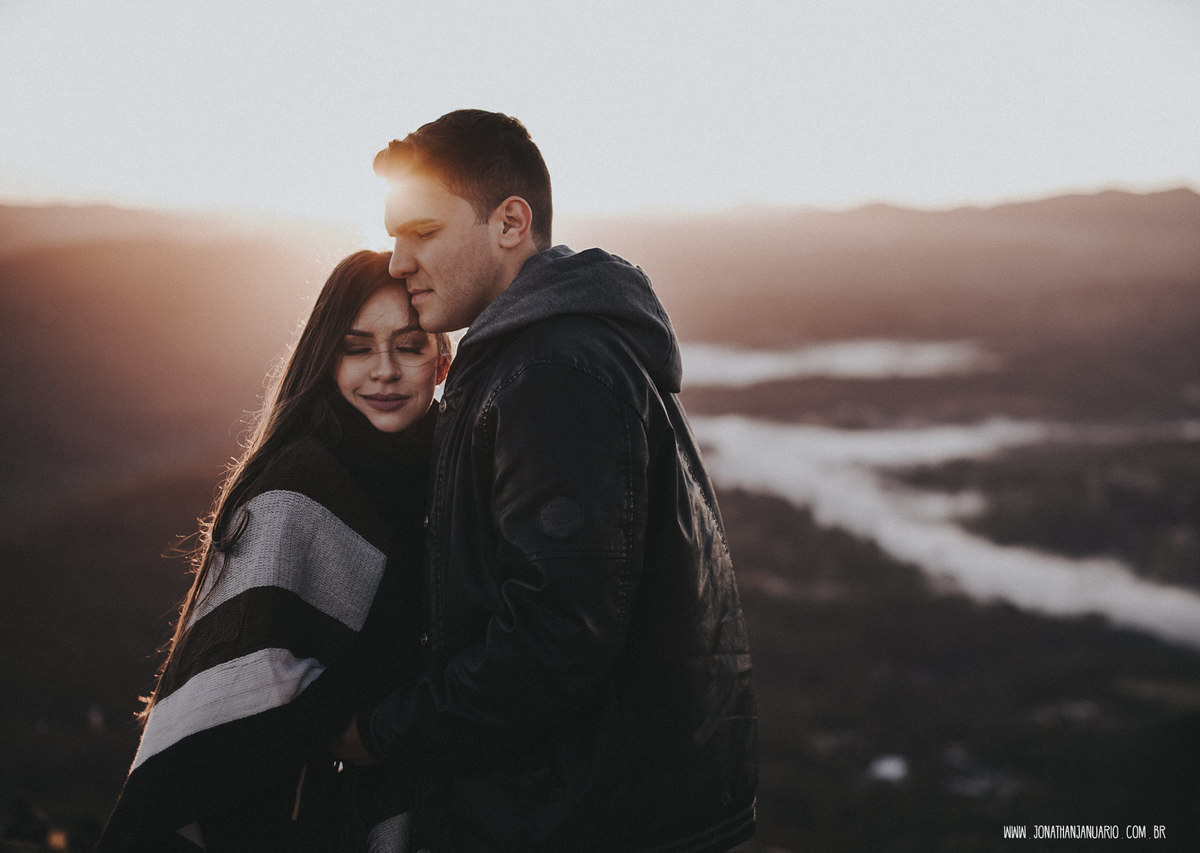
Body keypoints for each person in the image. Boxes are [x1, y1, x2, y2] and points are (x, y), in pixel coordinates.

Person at [338, 109, 758, 852]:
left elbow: (553, 641)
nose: (398, 260)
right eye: (394, 235)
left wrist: (372, 732)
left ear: (509, 222)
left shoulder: (555, 369)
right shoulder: (531, 357)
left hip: (589, 825)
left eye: (423, 231)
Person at [99, 250, 451, 852]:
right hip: (282, 815)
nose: (384, 371)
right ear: (327, 359)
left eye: (409, 346)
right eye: (357, 347)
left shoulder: (451, 470)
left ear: (442, 361)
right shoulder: (300, 482)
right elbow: (241, 682)